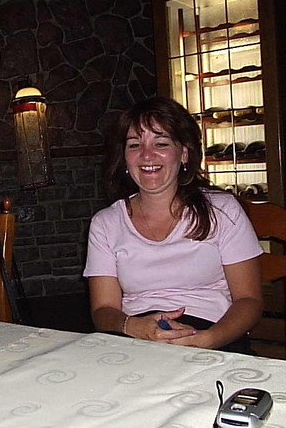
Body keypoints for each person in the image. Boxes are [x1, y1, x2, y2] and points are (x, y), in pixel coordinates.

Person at [84, 97, 264, 353]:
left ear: (184, 153)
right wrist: (132, 326)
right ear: (124, 158)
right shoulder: (105, 223)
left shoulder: (222, 210)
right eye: (134, 145)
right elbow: (103, 310)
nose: (147, 155)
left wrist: (208, 340)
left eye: (161, 143)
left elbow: (249, 300)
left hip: (213, 334)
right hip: (136, 339)